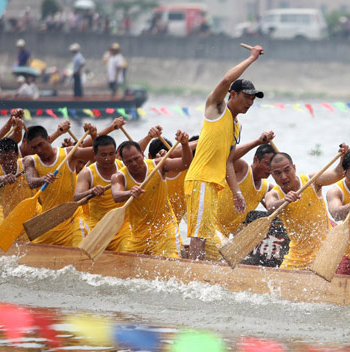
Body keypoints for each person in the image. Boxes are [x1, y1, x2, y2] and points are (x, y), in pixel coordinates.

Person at [184, 44, 264, 260]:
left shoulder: (237, 126)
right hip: (200, 180)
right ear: (233, 94)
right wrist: (251, 59)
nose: (250, 102)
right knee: (199, 236)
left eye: (253, 99)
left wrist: (237, 193)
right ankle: (192, 275)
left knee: (224, 254)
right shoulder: (216, 109)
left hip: (214, 186)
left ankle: (199, 272)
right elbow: (225, 80)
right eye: (246, 97)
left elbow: (228, 162)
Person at [264, 145, 349, 270]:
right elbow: (271, 207)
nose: (283, 177)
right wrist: (284, 200)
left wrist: (343, 157)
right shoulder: (273, 194)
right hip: (297, 256)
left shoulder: (312, 181)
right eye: (277, 173)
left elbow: (338, 173)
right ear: (271, 174)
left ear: (294, 168)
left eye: (287, 170)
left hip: (325, 251)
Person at [111, 132, 192, 258]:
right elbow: (116, 195)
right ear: (123, 162)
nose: (134, 164)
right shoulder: (119, 176)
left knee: (170, 264)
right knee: (124, 267)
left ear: (142, 155)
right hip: (139, 236)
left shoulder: (158, 165)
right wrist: (129, 193)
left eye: (137, 158)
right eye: (129, 161)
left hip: (165, 230)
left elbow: (185, 164)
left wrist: (185, 144)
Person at [22, 124, 95, 247]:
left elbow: (97, 153)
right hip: (48, 222)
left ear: (49, 139)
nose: (39, 151)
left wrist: (93, 135)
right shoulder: (30, 160)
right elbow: (31, 182)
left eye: (41, 145)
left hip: (73, 219)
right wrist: (43, 179)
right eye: (34, 148)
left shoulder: (69, 153)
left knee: (80, 255)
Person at [74, 135, 131, 252]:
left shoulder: (124, 168)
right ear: (94, 155)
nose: (108, 159)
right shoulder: (87, 173)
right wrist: (91, 191)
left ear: (116, 153)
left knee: (127, 252)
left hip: (122, 227)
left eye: (111, 154)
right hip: (98, 228)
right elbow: (76, 198)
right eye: (103, 155)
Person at [215, 132, 275, 240]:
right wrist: (257, 142)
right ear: (256, 160)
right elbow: (227, 158)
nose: (270, 169)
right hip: (211, 225)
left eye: (273, 166)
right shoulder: (242, 169)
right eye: (267, 164)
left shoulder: (266, 188)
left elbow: (284, 194)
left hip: (226, 234)